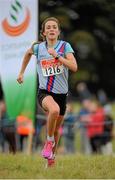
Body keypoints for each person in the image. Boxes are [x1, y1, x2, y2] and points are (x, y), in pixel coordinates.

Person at [17, 17, 78, 167]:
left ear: (58, 31)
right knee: (54, 110)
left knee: (57, 129)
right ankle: (48, 141)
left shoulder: (65, 47)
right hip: (44, 92)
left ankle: (51, 159)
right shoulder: (38, 47)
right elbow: (27, 54)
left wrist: (57, 56)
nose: (51, 29)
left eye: (54, 27)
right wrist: (21, 72)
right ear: (43, 32)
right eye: (48, 27)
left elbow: (74, 67)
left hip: (62, 95)